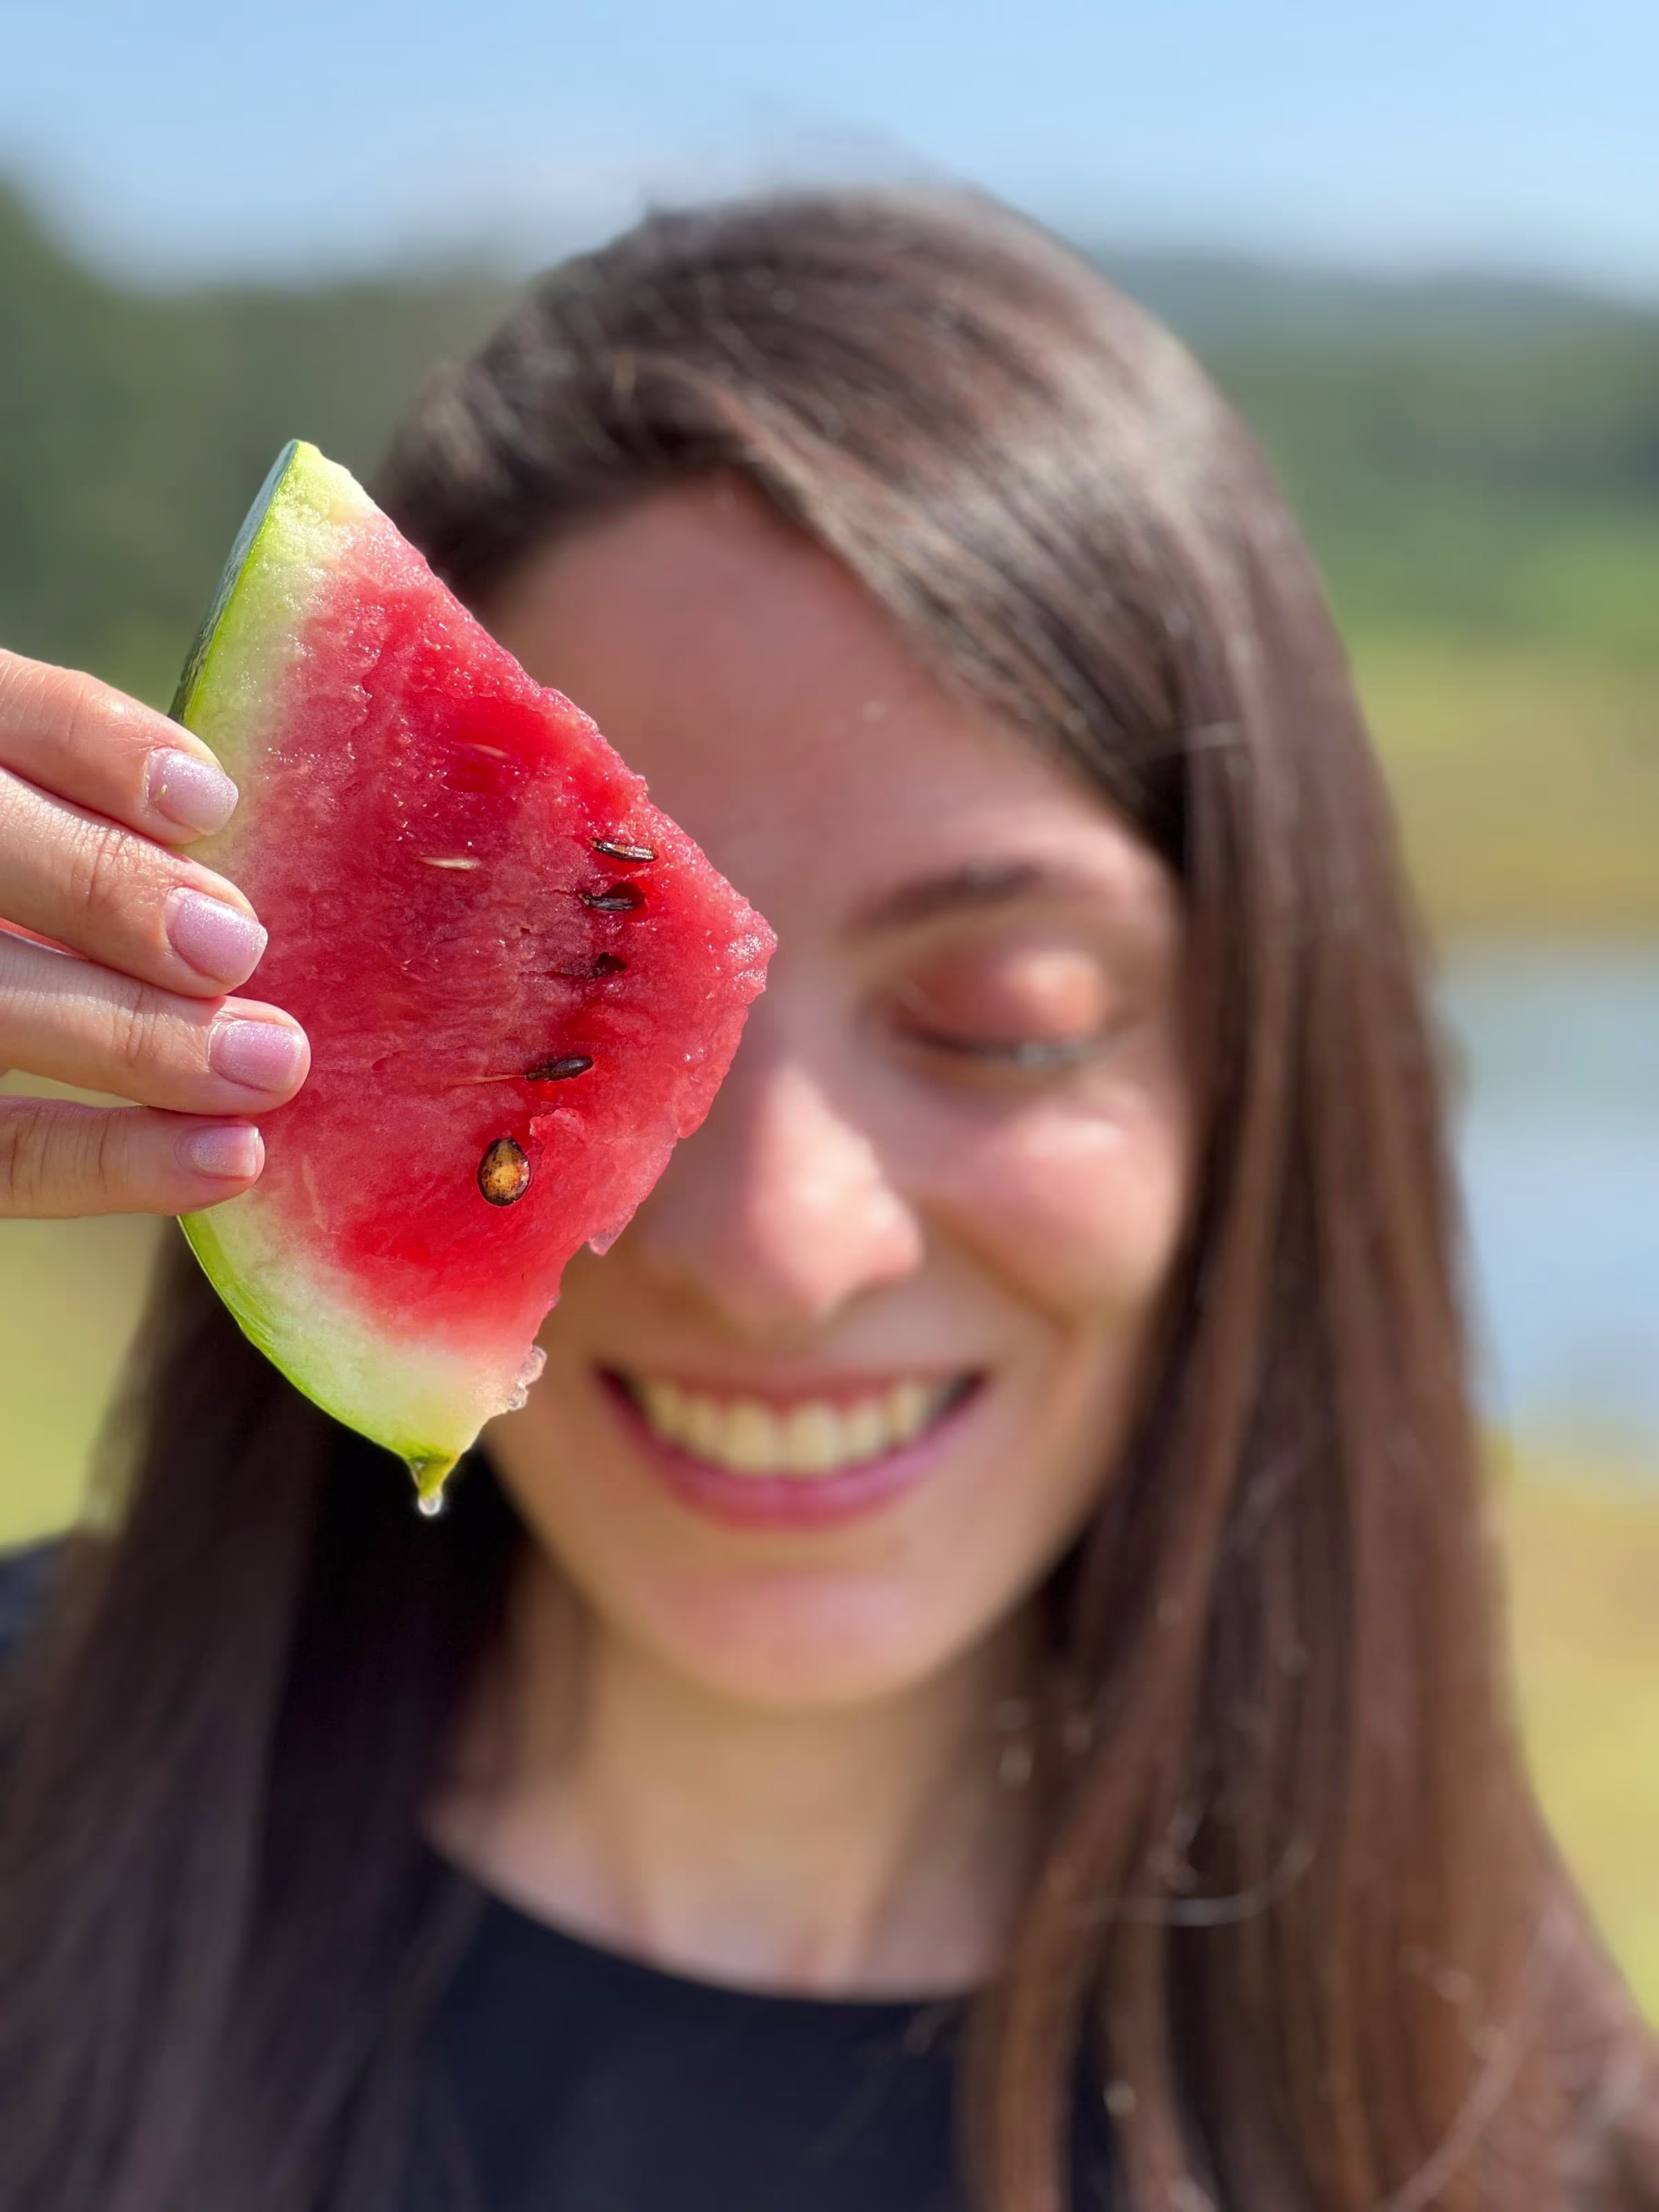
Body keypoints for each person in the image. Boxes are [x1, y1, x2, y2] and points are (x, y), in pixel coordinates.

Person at [0, 187, 1653, 2212]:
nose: (780, 1255)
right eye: (564, 1021)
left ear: (1261, 1073)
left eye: (1003, 1018)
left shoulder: (1517, 2132)